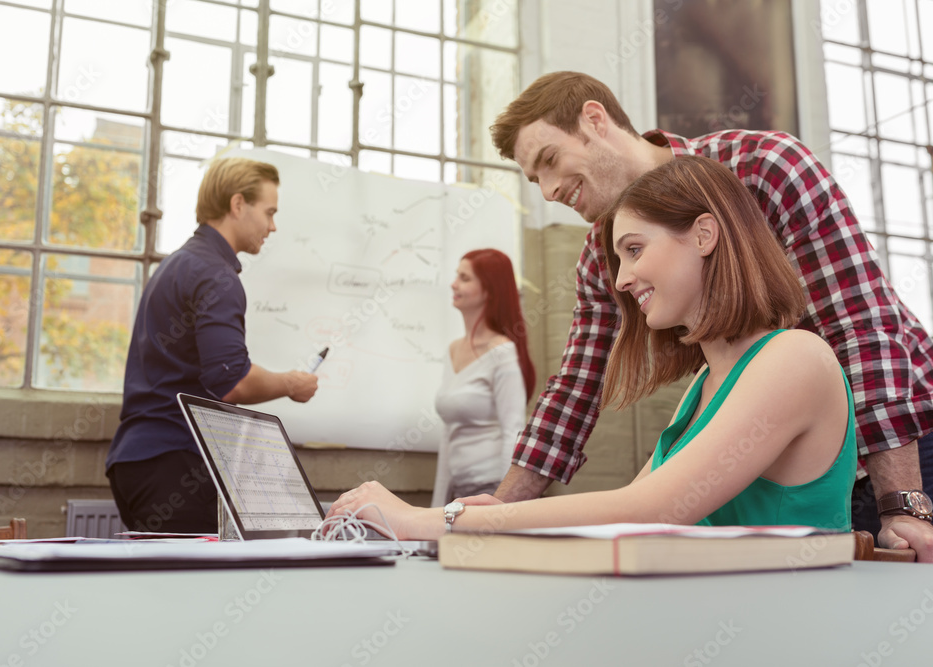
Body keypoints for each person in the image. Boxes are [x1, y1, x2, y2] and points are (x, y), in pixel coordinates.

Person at [485, 71, 933, 561]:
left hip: (902, 442)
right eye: (534, 180)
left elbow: (859, 328)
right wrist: (491, 515)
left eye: (549, 161)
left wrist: (903, 504)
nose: (548, 191)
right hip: (780, 468)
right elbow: (574, 389)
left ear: (595, 120)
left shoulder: (765, 167)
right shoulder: (601, 257)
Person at [326, 156, 856, 537]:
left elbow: (652, 509)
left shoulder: (794, 358)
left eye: (633, 250)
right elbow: (628, 514)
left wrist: (430, 519)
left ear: (703, 235)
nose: (622, 280)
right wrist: (489, 520)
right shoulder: (705, 382)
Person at [106, 157, 318, 533]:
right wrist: (291, 384)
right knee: (198, 589)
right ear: (238, 205)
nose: (273, 226)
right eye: (269, 212)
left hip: (136, 461)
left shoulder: (176, 265)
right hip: (174, 464)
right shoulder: (216, 276)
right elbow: (231, 381)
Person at [432, 249, 536, 506]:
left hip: (490, 488)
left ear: (489, 290)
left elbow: (512, 430)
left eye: (464, 278)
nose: (453, 284)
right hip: (459, 491)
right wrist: (436, 506)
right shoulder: (453, 349)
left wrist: (501, 502)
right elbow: (448, 433)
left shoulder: (501, 352)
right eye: (457, 276)